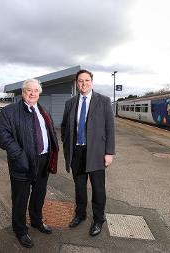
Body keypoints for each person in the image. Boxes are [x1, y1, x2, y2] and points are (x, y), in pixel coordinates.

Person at [0, 78, 58, 248]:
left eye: (35, 91)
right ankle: (20, 230)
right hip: (22, 162)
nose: (32, 93)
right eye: (28, 90)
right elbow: (2, 136)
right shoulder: (10, 111)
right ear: (23, 92)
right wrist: (19, 155)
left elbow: (49, 132)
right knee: (20, 198)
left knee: (39, 194)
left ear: (39, 93)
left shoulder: (43, 111)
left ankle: (36, 221)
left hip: (43, 160)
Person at [61, 69, 115, 236]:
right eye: (80, 81)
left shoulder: (104, 101)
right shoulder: (70, 103)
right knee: (79, 187)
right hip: (77, 151)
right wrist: (67, 144)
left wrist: (109, 152)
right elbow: (64, 127)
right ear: (77, 83)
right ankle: (80, 214)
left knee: (98, 189)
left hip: (97, 153)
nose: (83, 84)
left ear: (92, 82)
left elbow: (110, 128)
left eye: (86, 80)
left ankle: (99, 219)